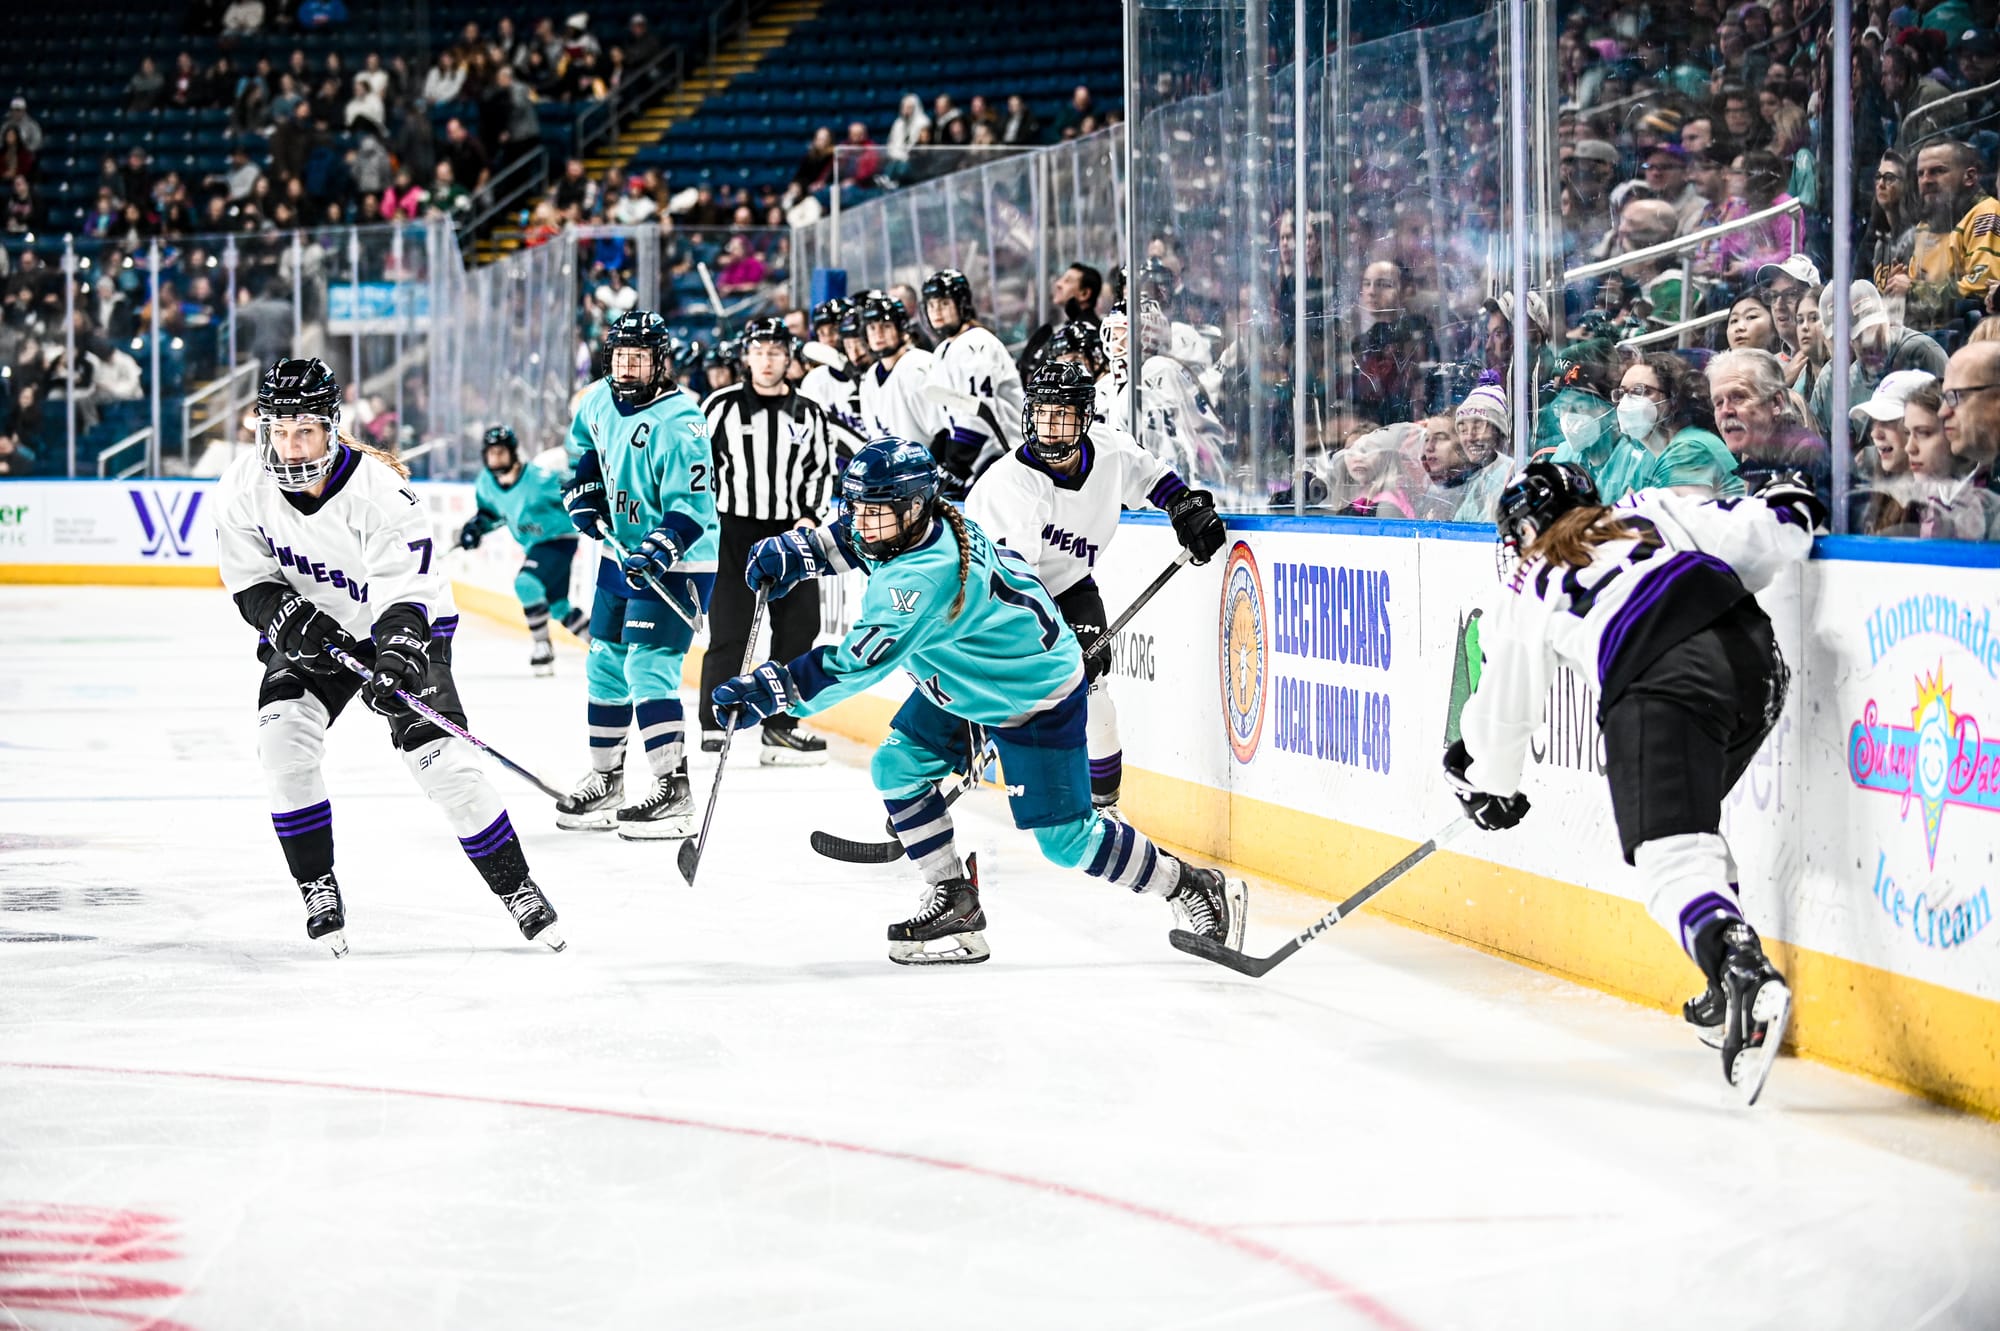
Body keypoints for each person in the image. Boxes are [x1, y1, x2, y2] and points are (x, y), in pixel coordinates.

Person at [713, 438, 1245, 965]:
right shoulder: (914, 527)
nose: (862, 523)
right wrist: (804, 552)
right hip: (970, 676)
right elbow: (854, 540)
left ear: (914, 507)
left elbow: (855, 664)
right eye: (857, 508)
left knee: (1066, 842)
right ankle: (955, 899)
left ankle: (1190, 886)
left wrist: (771, 690)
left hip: (1031, 691)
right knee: (897, 766)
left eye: (876, 512)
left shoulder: (921, 576)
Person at [1444, 460, 1823, 1103]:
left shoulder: (1529, 578)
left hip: (1662, 679)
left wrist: (1488, 781)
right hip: (1755, 662)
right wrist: (1793, 499)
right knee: (1692, 832)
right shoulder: (1650, 510)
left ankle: (1742, 971)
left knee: (1668, 861)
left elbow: (1506, 709)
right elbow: (1776, 531)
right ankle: (1716, 982)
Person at [215, 358, 563, 956]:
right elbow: (250, 581)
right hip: (314, 631)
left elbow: (409, 593)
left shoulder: (380, 493)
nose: (291, 447)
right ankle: (317, 886)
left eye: (305, 431)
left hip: (403, 626)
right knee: (282, 742)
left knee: (443, 765)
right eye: (278, 430)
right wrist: (287, 616)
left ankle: (517, 887)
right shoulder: (243, 486)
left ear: (331, 427)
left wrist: (397, 654)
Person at [967, 360, 1226, 811]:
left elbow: (1152, 477)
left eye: (1062, 414)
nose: (1050, 427)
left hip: (1070, 586)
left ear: (1084, 417)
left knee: (1092, 687)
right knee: (985, 692)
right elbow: (1014, 585)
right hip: (1000, 599)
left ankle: (1105, 806)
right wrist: (1043, 656)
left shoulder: (1108, 450)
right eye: (1043, 414)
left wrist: (1184, 507)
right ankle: (926, 790)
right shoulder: (1008, 486)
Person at [556, 310, 720, 839]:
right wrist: (585, 489)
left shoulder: (681, 422)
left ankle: (674, 789)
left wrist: (658, 547)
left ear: (659, 362)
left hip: (681, 560)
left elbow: (692, 510)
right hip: (618, 553)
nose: (627, 366)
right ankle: (607, 782)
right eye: (620, 355)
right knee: (605, 663)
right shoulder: (598, 399)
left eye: (639, 357)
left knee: (648, 667)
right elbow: (584, 445)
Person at [697, 317, 837, 764]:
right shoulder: (720, 406)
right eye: (759, 351)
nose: (767, 360)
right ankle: (714, 721)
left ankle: (781, 726)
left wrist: (809, 518)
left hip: (793, 535)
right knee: (731, 630)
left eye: (776, 351)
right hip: (734, 529)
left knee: (799, 628)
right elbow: (700, 467)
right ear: (746, 355)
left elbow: (821, 470)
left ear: (789, 356)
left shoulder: (809, 412)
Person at [457, 425, 590, 676]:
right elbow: (490, 514)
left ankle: (542, 647)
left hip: (559, 539)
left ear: (513, 452)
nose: (496, 458)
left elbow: (575, 490)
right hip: (535, 545)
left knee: (526, 584)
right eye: (491, 453)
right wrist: (474, 529)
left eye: (501, 452)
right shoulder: (486, 483)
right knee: (558, 606)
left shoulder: (540, 479)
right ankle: (605, 648)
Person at [1556, 353, 1741, 502]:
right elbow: (1621, 516)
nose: (1627, 402)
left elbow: (1673, 528)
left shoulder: (1690, 448)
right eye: (1621, 393)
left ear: (1673, 398)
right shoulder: (1650, 457)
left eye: (1640, 391)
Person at [922, 267, 1026, 491]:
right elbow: (945, 422)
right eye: (931, 305)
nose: (936, 310)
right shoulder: (942, 350)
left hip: (1004, 454)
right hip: (975, 459)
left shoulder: (977, 342)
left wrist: (955, 467)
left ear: (962, 304)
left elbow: (979, 414)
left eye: (944, 303)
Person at [1807, 281, 1948, 435]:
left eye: (1871, 331)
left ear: (1886, 320)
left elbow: (1948, 423)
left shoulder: (1921, 353)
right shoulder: (1839, 379)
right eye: (1858, 337)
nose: (1868, 343)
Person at [1706, 348, 1830, 500]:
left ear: (1776, 403)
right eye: (1718, 403)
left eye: (1738, 397)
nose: (1725, 411)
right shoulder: (1761, 463)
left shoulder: (1804, 456)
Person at [857, 289, 942, 455]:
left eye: (886, 326)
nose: (878, 334)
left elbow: (942, 431)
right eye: (872, 328)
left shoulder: (919, 365)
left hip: (926, 469)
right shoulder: (869, 378)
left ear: (902, 329)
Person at [797, 296, 869, 454]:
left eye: (834, 330)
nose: (829, 338)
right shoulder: (813, 381)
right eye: (822, 333)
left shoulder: (870, 374)